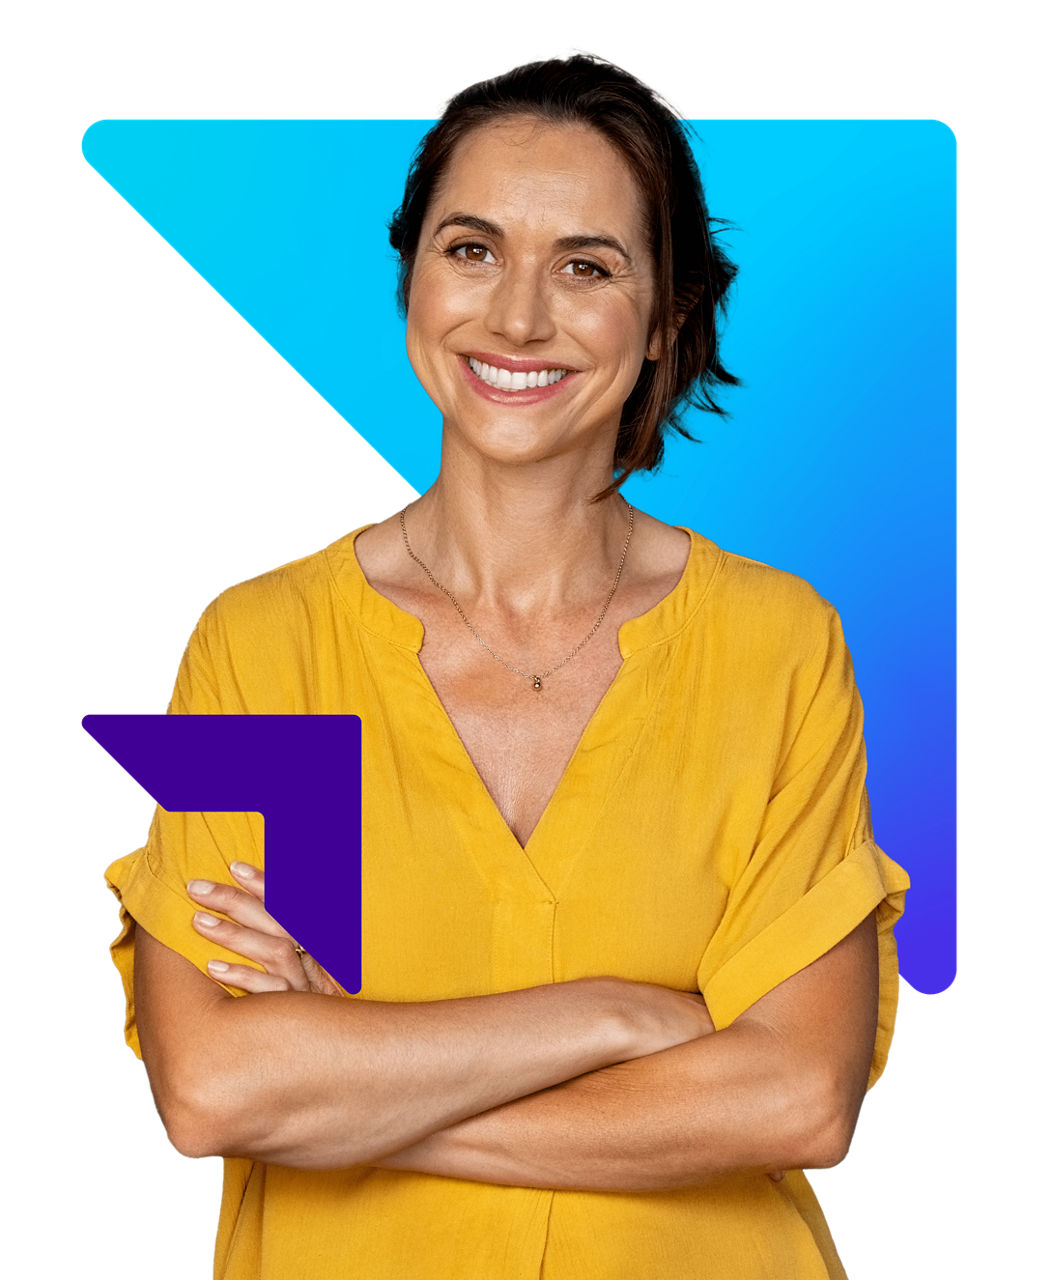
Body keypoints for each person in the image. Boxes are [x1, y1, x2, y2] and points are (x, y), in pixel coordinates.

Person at [105, 55, 909, 1280]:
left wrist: (357, 1084)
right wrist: (618, 1014)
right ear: (411, 277)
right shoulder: (265, 651)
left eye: (585, 266)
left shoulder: (776, 645)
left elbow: (796, 1095)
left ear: (666, 320)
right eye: (470, 249)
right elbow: (214, 1087)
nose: (518, 316)